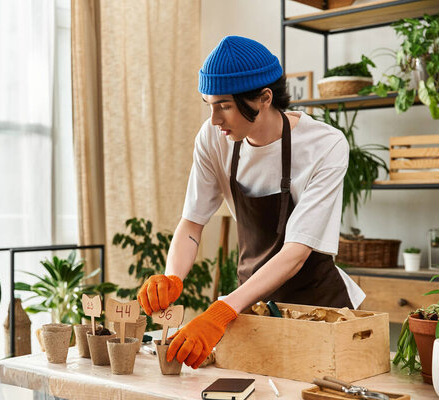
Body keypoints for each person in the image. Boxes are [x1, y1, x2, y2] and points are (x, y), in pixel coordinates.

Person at [137, 36, 365, 369]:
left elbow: (296, 252)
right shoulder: (213, 138)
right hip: (254, 303)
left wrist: (221, 310)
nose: (214, 119)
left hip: (318, 308)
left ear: (263, 98)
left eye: (224, 106)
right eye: (209, 105)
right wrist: (173, 277)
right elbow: (193, 222)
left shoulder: (324, 146)